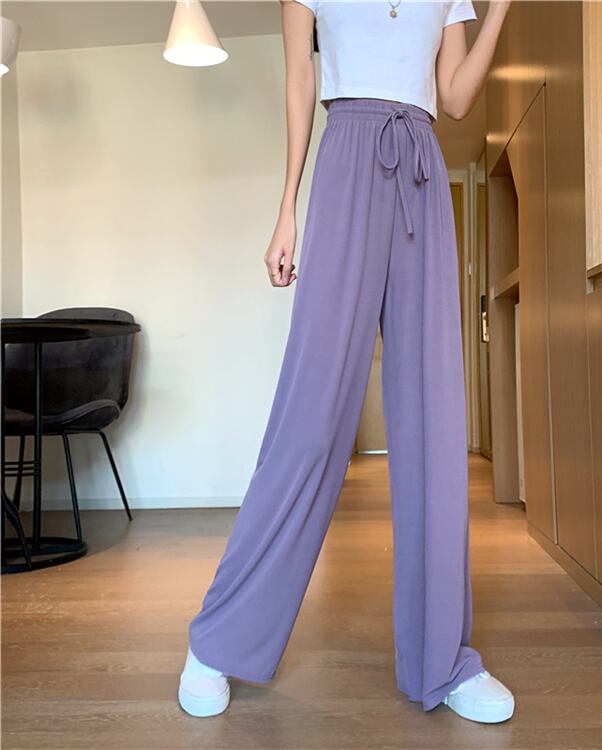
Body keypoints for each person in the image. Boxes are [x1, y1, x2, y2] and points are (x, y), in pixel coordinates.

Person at [178, 0, 513, 724]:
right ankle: (220, 640)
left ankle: (444, 659)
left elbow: (455, 97)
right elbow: (300, 80)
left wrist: (500, 10)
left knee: (433, 419)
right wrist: (287, 208)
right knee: (312, 417)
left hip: (421, 163)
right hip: (349, 155)